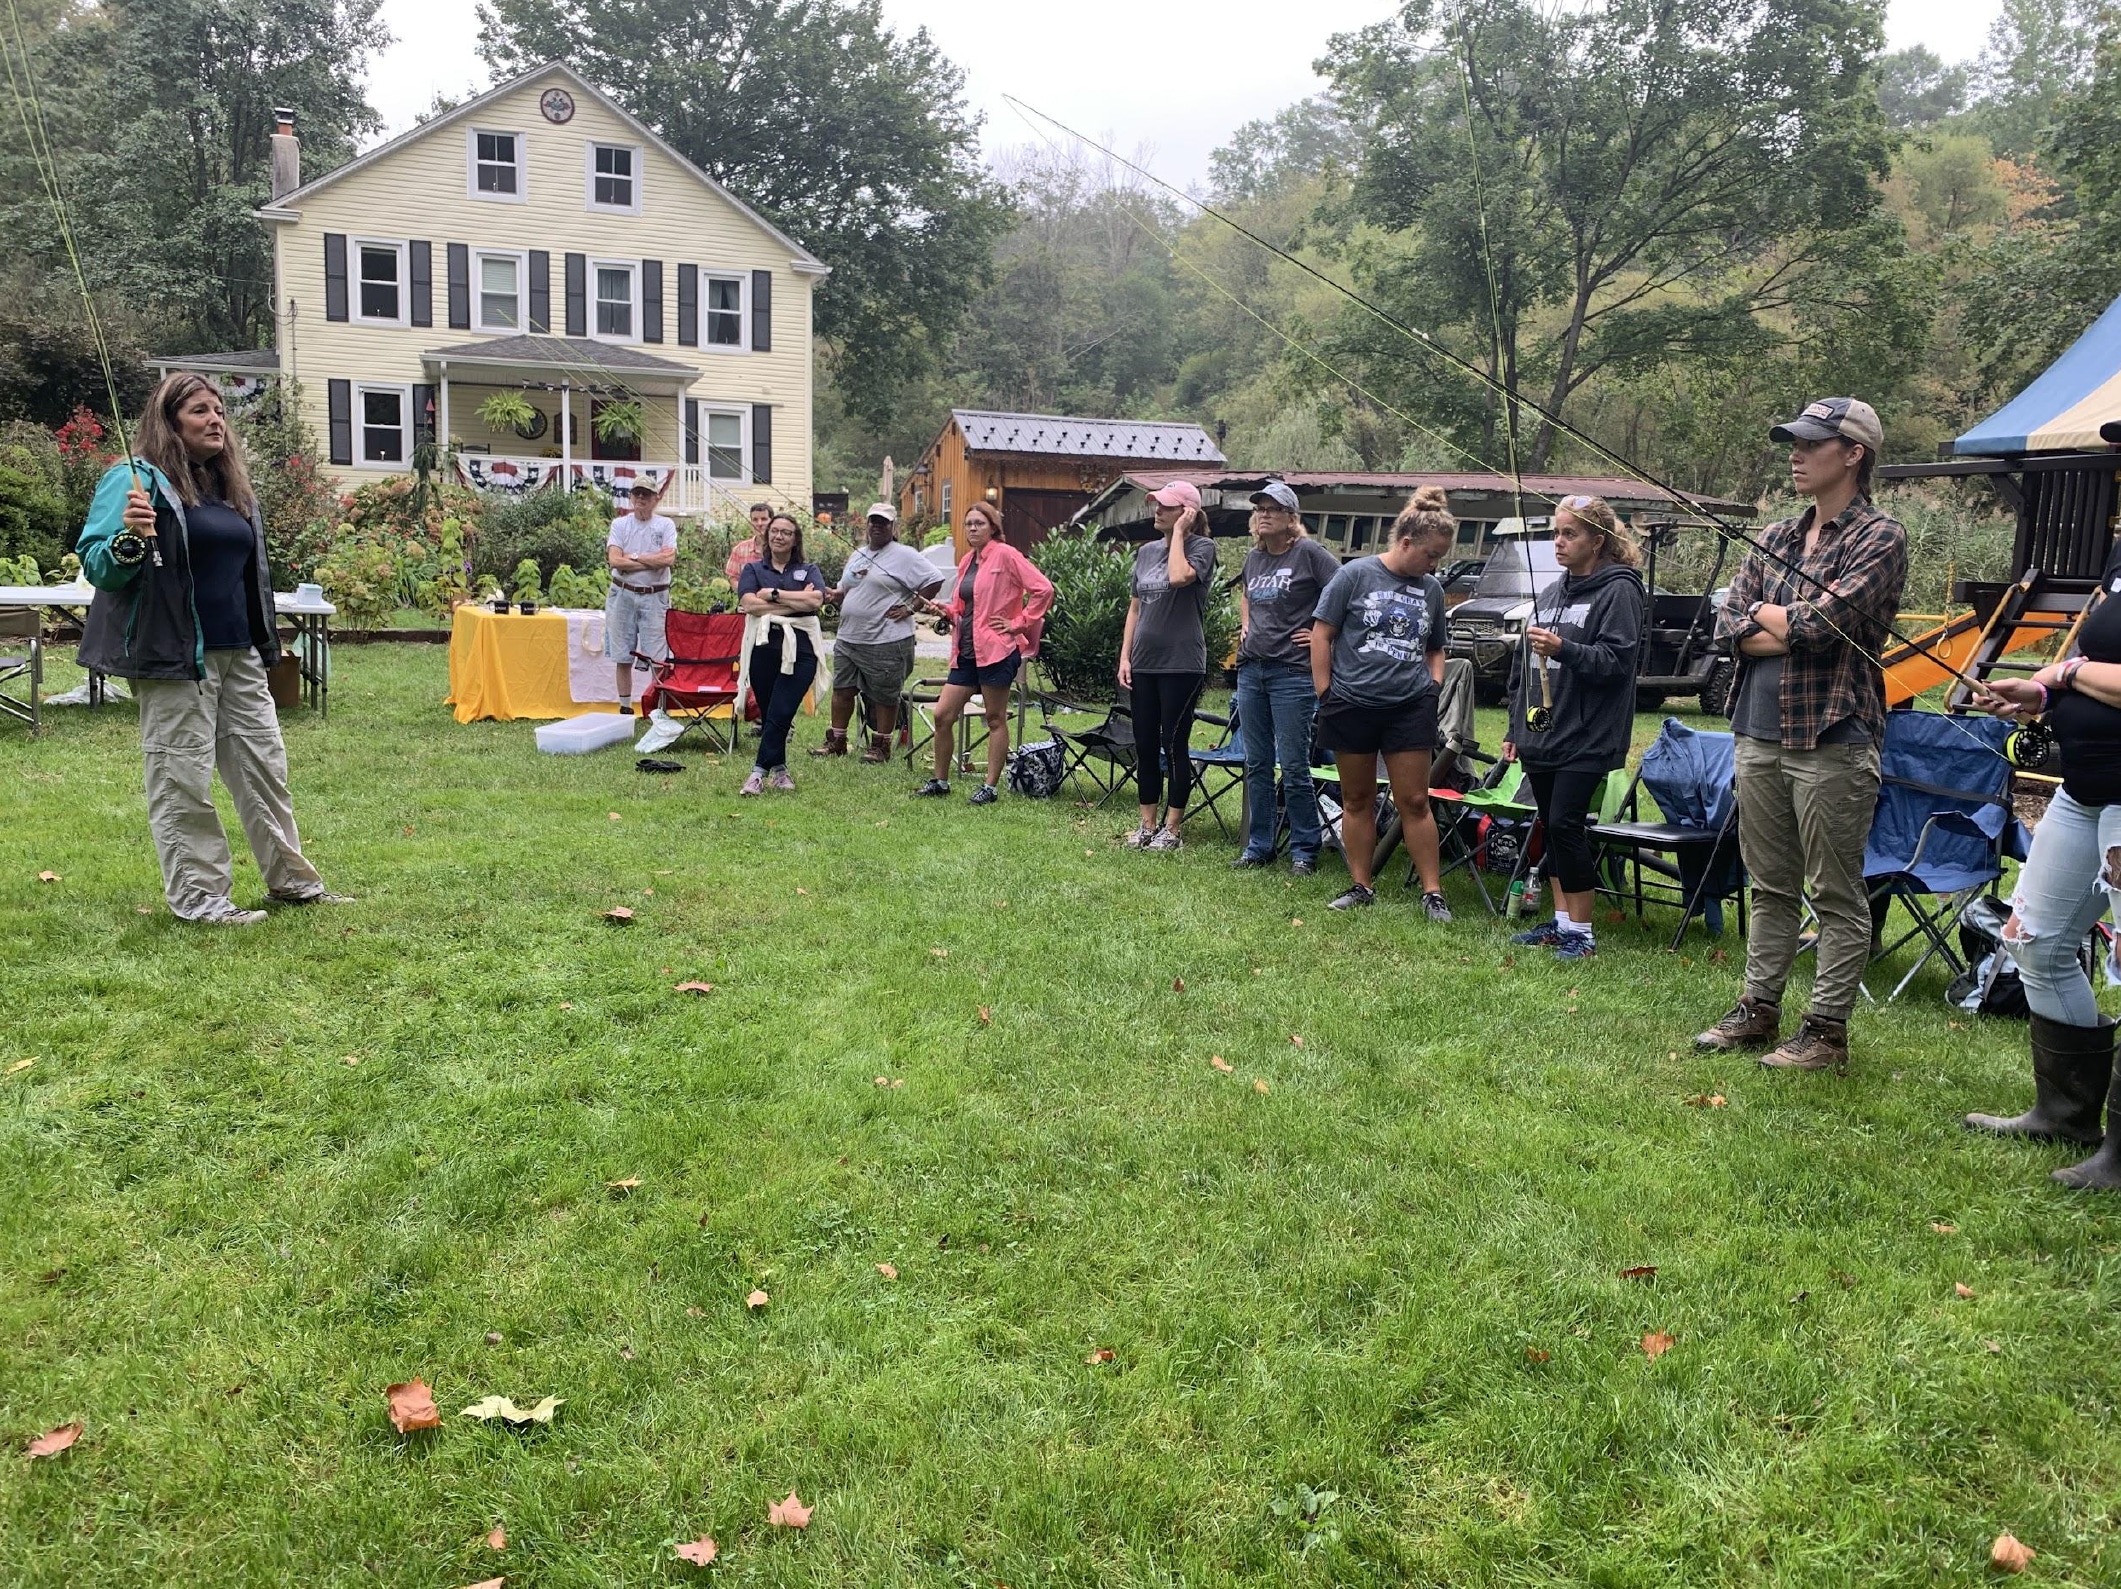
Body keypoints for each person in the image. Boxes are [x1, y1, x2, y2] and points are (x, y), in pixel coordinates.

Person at [75, 372, 348, 925]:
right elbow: (98, 563)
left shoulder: (231, 488)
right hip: (176, 656)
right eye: (199, 410)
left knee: (262, 767)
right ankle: (199, 899)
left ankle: (292, 882)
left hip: (239, 653)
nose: (215, 419)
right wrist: (130, 537)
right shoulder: (135, 481)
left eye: (219, 410)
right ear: (170, 422)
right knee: (183, 776)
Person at [1694, 398, 1907, 1073]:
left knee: (1835, 892)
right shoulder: (1775, 535)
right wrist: (1769, 618)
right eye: (1791, 441)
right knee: (1769, 883)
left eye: (1810, 443)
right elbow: (1726, 625)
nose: (1794, 453)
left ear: (1852, 454)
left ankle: (1824, 1033)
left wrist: (1766, 618)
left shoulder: (1880, 536)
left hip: (1831, 736)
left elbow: (1821, 626)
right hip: (1754, 731)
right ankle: (1757, 1009)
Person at [1966, 560, 2121, 1189]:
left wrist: (2067, 672)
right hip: (2082, 793)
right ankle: (2066, 1113)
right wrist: (2040, 693)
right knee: (2037, 942)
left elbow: (2082, 667)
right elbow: (2090, 659)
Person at [1501, 494, 1645, 961]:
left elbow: (1618, 663)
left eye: (1570, 534)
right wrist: (1517, 730)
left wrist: (1565, 648)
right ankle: (1562, 924)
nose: (1558, 543)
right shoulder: (1552, 593)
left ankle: (1582, 934)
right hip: (1544, 734)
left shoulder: (1619, 591)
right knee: (1551, 824)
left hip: (1588, 735)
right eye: (1555, 533)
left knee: (1566, 823)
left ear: (1597, 540)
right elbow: (1526, 672)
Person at [1309, 484, 1454, 921]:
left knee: (1414, 800)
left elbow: (1435, 647)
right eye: (1430, 555)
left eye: (1439, 558)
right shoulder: (1354, 575)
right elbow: (1322, 634)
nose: (1434, 565)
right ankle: (1361, 885)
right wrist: (1325, 693)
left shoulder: (1431, 589)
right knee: (1357, 798)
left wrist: (1433, 687)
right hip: (1351, 703)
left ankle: (1433, 893)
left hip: (1409, 706)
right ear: (1405, 542)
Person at [914, 499, 1054, 805]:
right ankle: (940, 781)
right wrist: (946, 610)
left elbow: (1043, 589)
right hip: (966, 651)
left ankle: (989, 787)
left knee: (994, 718)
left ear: (993, 527)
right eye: (969, 524)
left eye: (979, 523)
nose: (973, 529)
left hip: (997, 650)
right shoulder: (967, 561)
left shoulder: (1006, 555)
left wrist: (1019, 623)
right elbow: (965, 609)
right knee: (942, 715)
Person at [1233, 480, 1340, 874]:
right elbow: (1247, 593)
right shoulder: (1254, 559)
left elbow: (1344, 591)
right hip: (1251, 670)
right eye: (1259, 509)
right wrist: (1246, 623)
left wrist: (1320, 632)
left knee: (1294, 765)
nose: (1263, 514)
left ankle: (1304, 850)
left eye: (1273, 509)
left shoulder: (1308, 553)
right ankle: (1260, 845)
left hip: (1292, 674)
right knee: (1257, 762)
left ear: (1291, 519)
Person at [1118, 480, 1220, 852]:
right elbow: (1135, 607)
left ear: (1188, 513)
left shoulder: (1202, 547)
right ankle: (1146, 824)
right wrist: (1125, 656)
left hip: (1182, 665)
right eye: (1156, 505)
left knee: (1173, 743)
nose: (1157, 511)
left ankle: (1172, 830)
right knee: (1145, 744)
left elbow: (1178, 577)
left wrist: (1180, 533)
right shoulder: (1145, 553)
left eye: (1166, 507)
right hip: (1144, 663)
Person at [815, 501, 942, 761]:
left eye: (883, 522)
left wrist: (910, 607)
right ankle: (837, 740)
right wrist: (834, 594)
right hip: (849, 637)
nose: (877, 526)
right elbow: (846, 589)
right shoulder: (858, 553)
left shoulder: (904, 554)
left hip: (886, 638)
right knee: (842, 689)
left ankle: (881, 745)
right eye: (873, 521)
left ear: (892, 526)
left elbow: (935, 579)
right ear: (867, 524)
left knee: (885, 693)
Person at [734, 512, 825, 795]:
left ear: (795, 538)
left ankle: (757, 773)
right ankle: (781, 771)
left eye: (786, 532)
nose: (779, 536)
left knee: (783, 708)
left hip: (802, 651)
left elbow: (816, 600)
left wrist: (772, 594)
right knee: (773, 711)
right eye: (775, 531)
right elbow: (748, 603)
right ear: (767, 535)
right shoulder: (752, 570)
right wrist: (795, 604)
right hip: (763, 650)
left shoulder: (809, 570)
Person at [605, 477, 676, 713]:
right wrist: (650, 561)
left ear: (656, 498)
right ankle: (625, 707)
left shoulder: (665, 525)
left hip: (655, 596)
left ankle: (659, 709)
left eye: (646, 494)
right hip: (622, 594)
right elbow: (614, 560)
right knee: (622, 653)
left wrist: (632, 558)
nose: (641, 499)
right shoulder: (620, 524)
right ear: (631, 497)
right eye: (637, 494)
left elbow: (667, 559)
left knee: (658, 656)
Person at [725, 501, 771, 582]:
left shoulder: (781, 548)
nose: (759, 523)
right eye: (755, 520)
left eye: (764, 519)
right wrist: (746, 592)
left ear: (772, 522)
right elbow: (733, 578)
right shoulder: (739, 549)